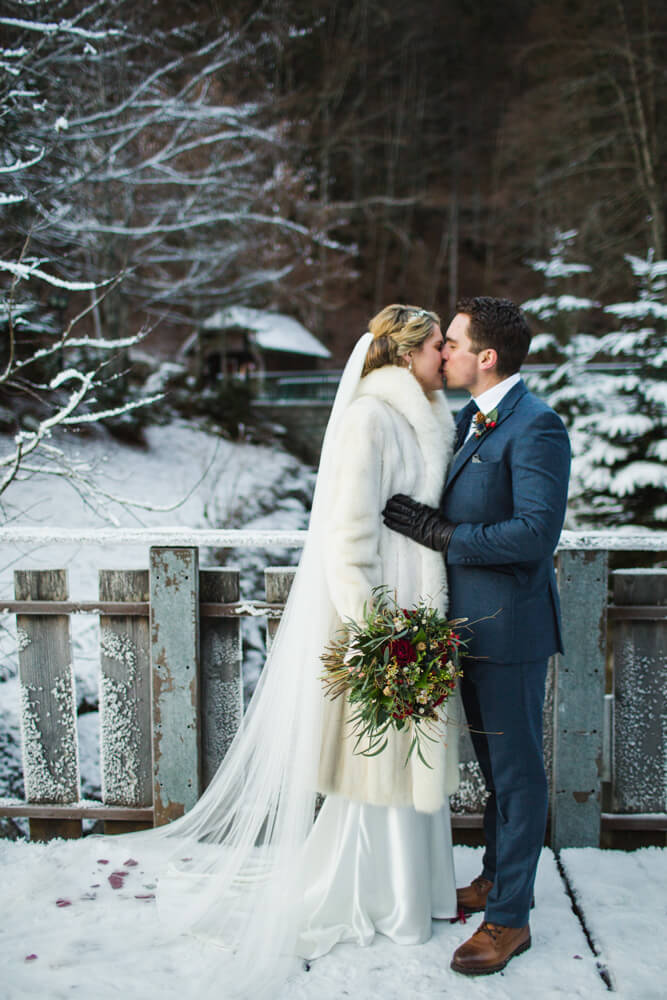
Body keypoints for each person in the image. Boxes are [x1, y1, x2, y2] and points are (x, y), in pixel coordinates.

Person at [149, 305, 460, 998]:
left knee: (413, 751)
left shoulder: (432, 415)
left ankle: (424, 890)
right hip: (387, 614)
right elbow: (345, 542)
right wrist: (378, 632)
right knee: (379, 757)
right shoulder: (368, 420)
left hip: (422, 604)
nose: (447, 354)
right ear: (407, 353)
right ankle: (382, 896)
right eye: (439, 344)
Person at [383, 296, 571, 976]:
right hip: (461, 629)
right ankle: (495, 879)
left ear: (485, 357)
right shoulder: (467, 419)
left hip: (511, 633)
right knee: (495, 776)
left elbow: (532, 535)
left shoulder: (537, 426)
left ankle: (508, 920)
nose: (445, 352)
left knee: (517, 778)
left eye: (453, 342)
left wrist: (443, 535)